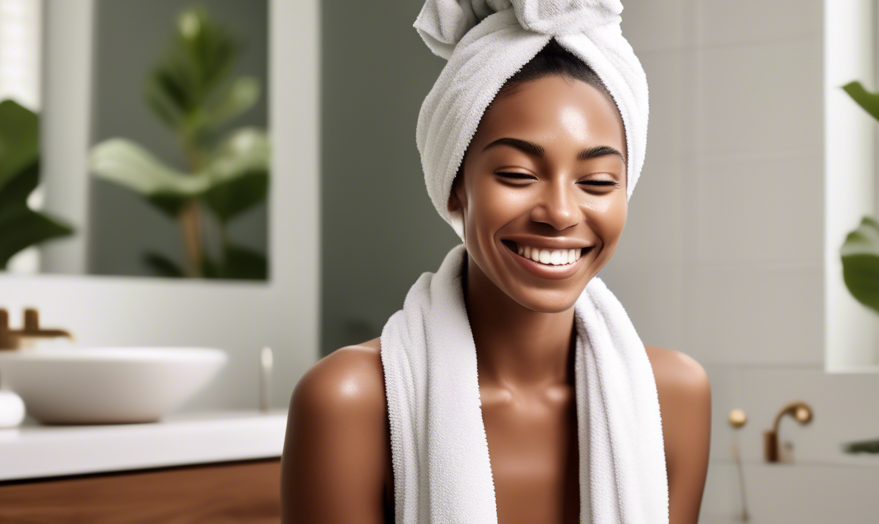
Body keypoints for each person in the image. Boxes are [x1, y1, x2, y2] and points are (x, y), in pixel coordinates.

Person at [281, 38, 711, 523]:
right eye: (517, 174)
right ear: (455, 188)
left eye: (597, 182)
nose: (562, 214)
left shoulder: (673, 397)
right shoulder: (349, 403)